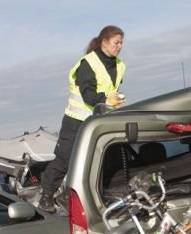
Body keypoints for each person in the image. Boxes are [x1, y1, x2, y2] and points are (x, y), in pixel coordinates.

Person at [38, 25, 126, 212]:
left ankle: (67, 197)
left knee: (98, 159)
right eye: (116, 42)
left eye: (121, 43)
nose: (119, 46)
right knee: (65, 159)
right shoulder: (88, 63)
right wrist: (105, 99)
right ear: (104, 42)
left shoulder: (120, 65)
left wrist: (115, 100)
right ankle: (46, 196)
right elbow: (88, 96)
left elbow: (111, 90)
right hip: (75, 120)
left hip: (98, 120)